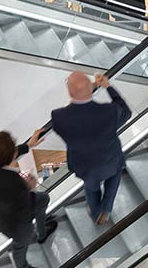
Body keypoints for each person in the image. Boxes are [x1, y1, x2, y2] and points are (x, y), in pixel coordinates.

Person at [49, 72, 133, 225]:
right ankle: (106, 208)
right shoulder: (110, 112)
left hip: (85, 166)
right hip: (111, 159)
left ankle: (96, 214)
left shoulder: (58, 118)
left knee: (92, 188)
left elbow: (71, 123)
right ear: (92, 88)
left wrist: (74, 102)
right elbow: (127, 113)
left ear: (69, 93)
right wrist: (108, 87)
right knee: (115, 174)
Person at [0, 129, 55, 268]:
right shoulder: (15, 183)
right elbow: (26, 211)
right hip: (15, 223)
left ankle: (42, 233)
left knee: (44, 198)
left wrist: (28, 146)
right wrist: (31, 189)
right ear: (13, 155)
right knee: (21, 244)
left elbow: (3, 155)